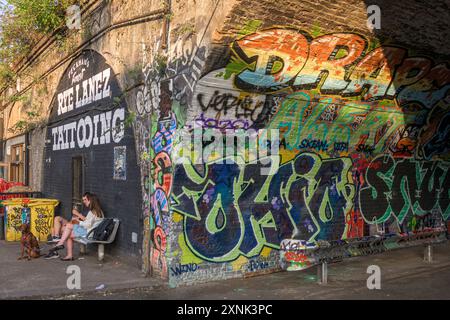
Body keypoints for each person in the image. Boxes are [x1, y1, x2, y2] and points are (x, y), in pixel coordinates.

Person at [45, 193, 104, 261]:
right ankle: (69, 255)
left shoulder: (95, 212)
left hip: (89, 233)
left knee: (68, 226)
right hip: (88, 231)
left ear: (90, 200)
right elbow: (88, 223)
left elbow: (88, 225)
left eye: (85, 200)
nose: (84, 202)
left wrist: (78, 222)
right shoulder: (95, 211)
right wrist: (77, 220)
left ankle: (60, 243)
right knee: (68, 234)